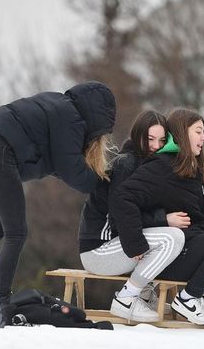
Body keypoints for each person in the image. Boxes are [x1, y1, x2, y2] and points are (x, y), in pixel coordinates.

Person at [0, 81, 116, 304]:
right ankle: (3, 302)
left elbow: (56, 164)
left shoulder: (57, 104)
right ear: (97, 117)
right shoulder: (72, 118)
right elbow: (74, 172)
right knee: (16, 232)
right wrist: (108, 183)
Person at [111, 108, 204, 325]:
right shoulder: (162, 167)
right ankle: (189, 297)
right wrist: (138, 242)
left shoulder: (192, 168)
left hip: (195, 241)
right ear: (183, 132)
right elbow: (123, 198)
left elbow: (201, 217)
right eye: (199, 131)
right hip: (175, 256)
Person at [78, 110, 186, 322]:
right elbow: (120, 216)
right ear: (138, 136)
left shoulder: (149, 166)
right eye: (150, 139)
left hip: (120, 244)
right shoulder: (125, 164)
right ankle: (127, 298)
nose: (156, 146)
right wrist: (164, 220)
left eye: (162, 140)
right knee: (172, 238)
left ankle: (144, 295)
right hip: (99, 251)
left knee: (178, 236)